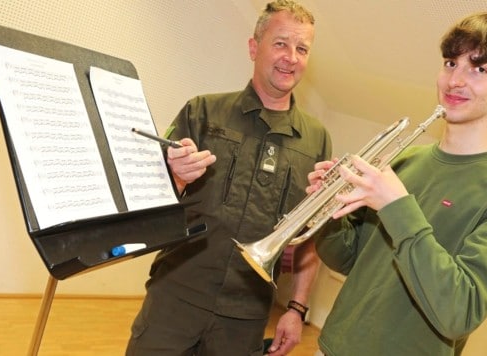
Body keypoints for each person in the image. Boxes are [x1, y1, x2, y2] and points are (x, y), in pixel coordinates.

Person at [306, 12, 487, 355]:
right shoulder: (406, 160)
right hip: (332, 346)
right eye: (450, 63)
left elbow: (459, 312)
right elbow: (349, 259)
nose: (455, 81)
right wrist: (328, 210)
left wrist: (397, 208)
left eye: (480, 69)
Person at [126, 1, 332, 355]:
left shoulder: (317, 140)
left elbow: (310, 233)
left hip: (246, 316)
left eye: (302, 49)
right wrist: (175, 178)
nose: (291, 57)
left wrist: (297, 309)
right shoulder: (202, 111)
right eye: (280, 43)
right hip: (176, 297)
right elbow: (149, 200)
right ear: (254, 47)